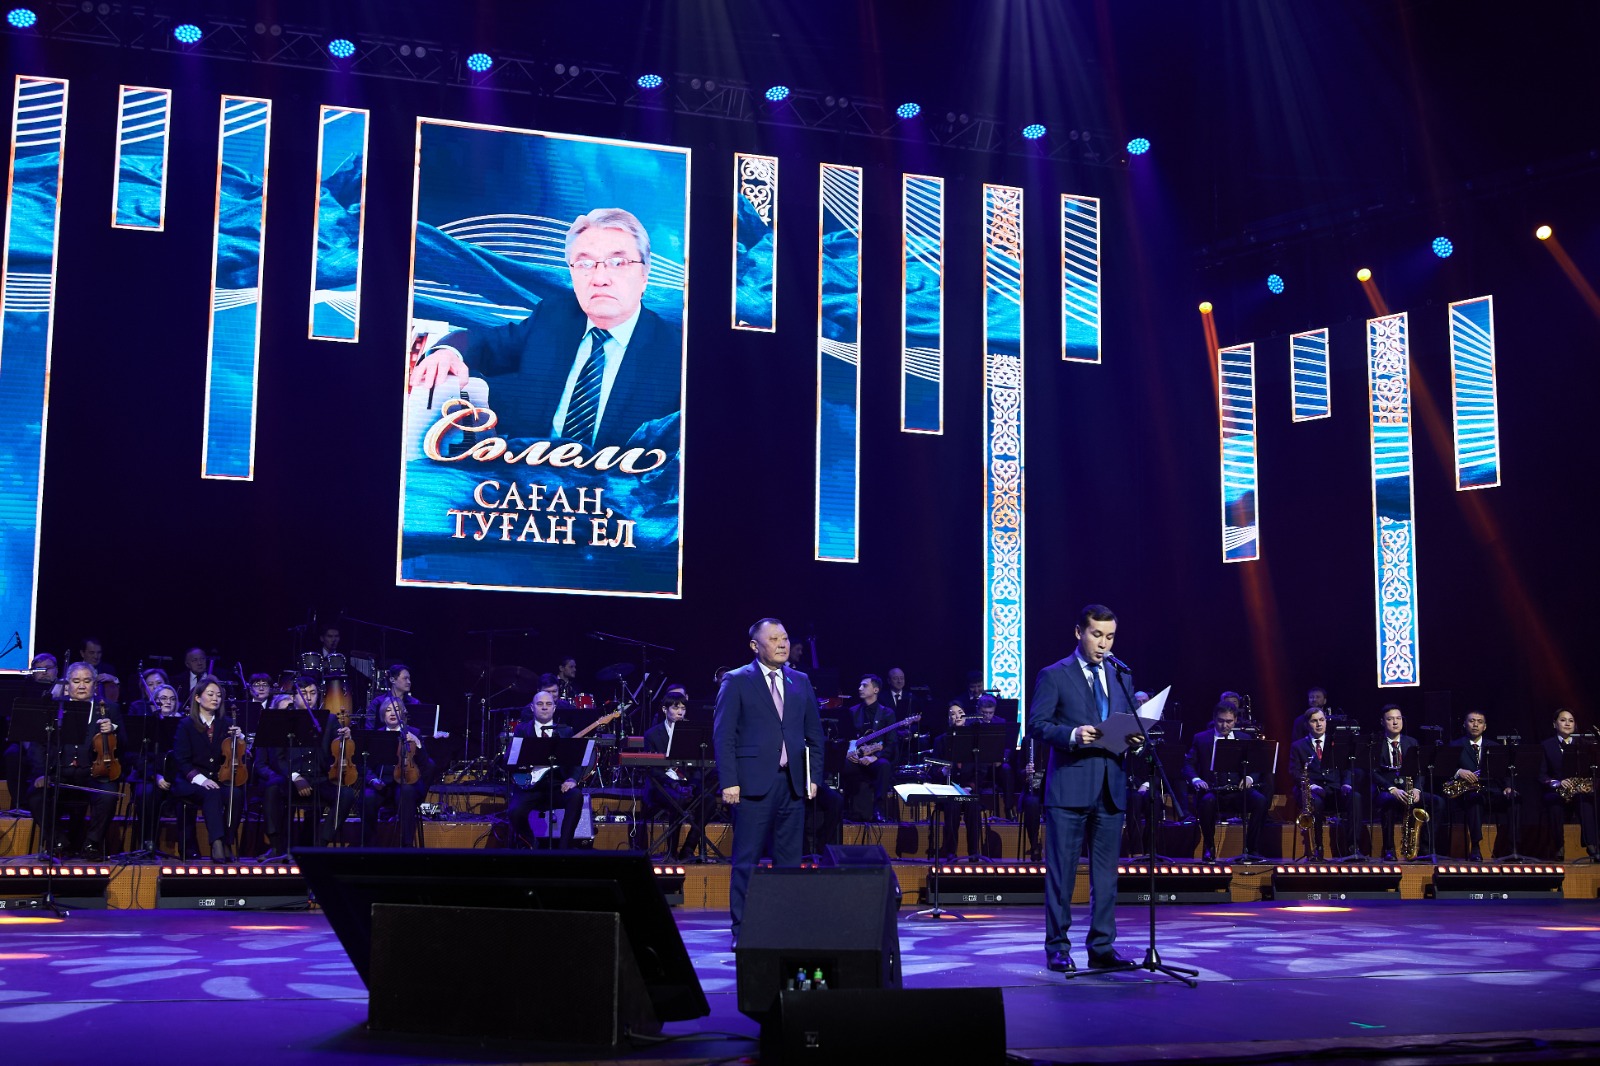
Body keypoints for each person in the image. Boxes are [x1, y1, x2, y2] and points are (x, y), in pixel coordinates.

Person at [409, 208, 683, 448]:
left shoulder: (677, 355)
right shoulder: (553, 319)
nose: (600, 278)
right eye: (585, 264)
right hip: (524, 483)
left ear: (644, 274)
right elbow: (486, 343)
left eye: (617, 263)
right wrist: (447, 352)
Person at [1027, 604, 1135, 974]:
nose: (1103, 644)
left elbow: (1125, 725)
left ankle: (1102, 947)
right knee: (1062, 874)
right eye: (1096, 635)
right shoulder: (1054, 675)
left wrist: (1134, 739)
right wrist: (1072, 734)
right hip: (1070, 787)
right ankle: (1057, 947)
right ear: (1079, 632)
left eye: (1110, 637)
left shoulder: (1121, 675)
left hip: (1111, 786)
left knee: (1106, 877)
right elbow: (1037, 725)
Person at [713, 618, 823, 946]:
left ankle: (783, 929)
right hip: (751, 785)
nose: (782, 644)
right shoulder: (736, 680)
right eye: (773, 639)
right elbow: (723, 736)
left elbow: (815, 735)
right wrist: (729, 781)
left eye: (784, 638)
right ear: (755, 645)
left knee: (789, 863)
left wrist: (813, 776)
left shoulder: (800, 680)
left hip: (792, 783)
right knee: (746, 860)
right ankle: (743, 930)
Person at [28, 662, 120, 859]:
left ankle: (92, 844)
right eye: (76, 681)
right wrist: (41, 773)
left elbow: (126, 745)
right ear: (68, 684)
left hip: (94, 773)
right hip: (59, 773)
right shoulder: (54, 708)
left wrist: (113, 730)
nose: (81, 686)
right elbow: (38, 745)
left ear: (95, 684)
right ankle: (58, 841)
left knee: (109, 795)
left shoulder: (109, 709)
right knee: (36, 796)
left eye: (87, 681)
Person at [170, 675, 245, 861]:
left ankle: (227, 842)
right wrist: (201, 780)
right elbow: (181, 760)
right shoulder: (186, 725)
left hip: (217, 778)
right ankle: (216, 843)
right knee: (211, 792)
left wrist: (240, 739)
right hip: (191, 780)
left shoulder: (226, 724)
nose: (215, 699)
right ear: (197, 698)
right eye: (210, 694)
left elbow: (235, 755)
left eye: (218, 695)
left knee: (235, 794)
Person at [1184, 704, 1270, 862]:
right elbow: (1188, 764)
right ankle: (1209, 847)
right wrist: (1196, 779)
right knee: (1206, 802)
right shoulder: (1201, 738)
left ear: (1235, 720)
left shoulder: (1245, 738)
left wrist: (1250, 778)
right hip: (1213, 791)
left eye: (1229, 721)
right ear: (1214, 719)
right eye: (1221, 721)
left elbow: (1256, 765)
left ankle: (1252, 848)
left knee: (1261, 801)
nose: (1225, 725)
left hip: (1238, 792)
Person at [505, 690, 585, 848]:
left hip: (556, 786)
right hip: (529, 787)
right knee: (514, 812)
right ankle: (532, 843)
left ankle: (564, 849)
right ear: (532, 708)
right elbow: (508, 760)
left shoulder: (565, 731)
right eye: (540, 704)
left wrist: (572, 779)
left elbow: (577, 761)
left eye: (548, 704)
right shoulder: (522, 730)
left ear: (554, 708)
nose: (544, 707)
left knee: (576, 796)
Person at [641, 687, 710, 860]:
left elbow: (697, 766)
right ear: (665, 709)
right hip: (663, 785)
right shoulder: (652, 735)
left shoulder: (692, 732)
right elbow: (653, 769)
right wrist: (674, 784)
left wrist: (692, 785)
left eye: (683, 708)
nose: (680, 712)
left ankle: (688, 848)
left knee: (708, 800)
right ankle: (671, 852)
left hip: (686, 783)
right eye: (675, 707)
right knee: (677, 798)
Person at [1288, 708, 1365, 860]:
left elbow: (1347, 767)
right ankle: (1318, 848)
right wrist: (1310, 786)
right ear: (1307, 724)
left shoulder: (1336, 743)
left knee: (1355, 797)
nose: (1319, 724)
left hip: (1335, 790)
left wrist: (1347, 784)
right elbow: (1294, 771)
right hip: (1312, 791)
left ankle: (1353, 847)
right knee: (1315, 802)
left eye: (1321, 720)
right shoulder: (1298, 746)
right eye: (1314, 721)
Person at [1371, 704, 1442, 861]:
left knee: (1437, 802)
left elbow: (1420, 770)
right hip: (1386, 790)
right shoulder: (1375, 743)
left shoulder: (1412, 742)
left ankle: (1425, 848)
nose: (1395, 722)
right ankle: (1389, 849)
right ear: (1382, 722)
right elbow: (1372, 772)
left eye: (1398, 718)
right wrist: (1392, 789)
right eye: (1390, 719)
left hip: (1409, 789)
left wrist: (1417, 789)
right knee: (1388, 801)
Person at [362, 696, 434, 847]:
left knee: (406, 791)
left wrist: (418, 744)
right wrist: (373, 780)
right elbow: (366, 764)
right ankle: (369, 846)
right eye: (388, 710)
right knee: (367, 797)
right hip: (381, 784)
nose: (392, 713)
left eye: (396, 709)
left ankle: (406, 845)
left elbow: (427, 765)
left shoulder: (414, 732)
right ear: (383, 715)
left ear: (402, 713)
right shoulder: (377, 735)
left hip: (406, 783)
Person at [1443, 711, 1511, 862]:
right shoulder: (1455, 745)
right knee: (1475, 799)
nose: (1475, 725)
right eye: (1472, 721)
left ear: (1485, 727)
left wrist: (1508, 787)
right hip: (1467, 793)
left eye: (1479, 722)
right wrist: (1458, 772)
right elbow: (1445, 770)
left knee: (1515, 799)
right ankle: (1475, 847)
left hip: (1492, 791)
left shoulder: (1494, 746)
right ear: (1464, 724)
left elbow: (1504, 772)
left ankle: (1512, 848)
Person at [1541, 708, 1598, 862]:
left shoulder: (1584, 744)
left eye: (1571, 720)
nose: (1567, 723)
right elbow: (1541, 775)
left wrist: (1585, 785)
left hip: (1578, 790)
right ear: (1555, 724)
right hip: (1557, 791)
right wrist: (1557, 783)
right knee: (1554, 804)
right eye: (1563, 720)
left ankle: (1592, 846)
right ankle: (1559, 846)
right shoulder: (1546, 745)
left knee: (1586, 802)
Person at [843, 674, 900, 822]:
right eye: (860, 685)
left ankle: (878, 809)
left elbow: (891, 743)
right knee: (841, 764)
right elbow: (846, 737)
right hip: (856, 757)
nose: (859, 688)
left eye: (864, 685)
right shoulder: (852, 712)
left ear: (876, 690)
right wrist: (851, 752)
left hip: (874, 757)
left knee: (884, 765)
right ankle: (845, 807)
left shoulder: (887, 713)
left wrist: (875, 757)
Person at [932, 703, 984, 860]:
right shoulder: (941, 741)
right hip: (949, 789)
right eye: (953, 714)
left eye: (960, 712)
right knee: (952, 805)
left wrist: (970, 787)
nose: (957, 716)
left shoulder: (975, 740)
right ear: (949, 719)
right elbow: (934, 769)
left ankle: (974, 852)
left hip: (969, 788)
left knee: (973, 805)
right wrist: (942, 771)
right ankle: (950, 852)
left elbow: (982, 769)